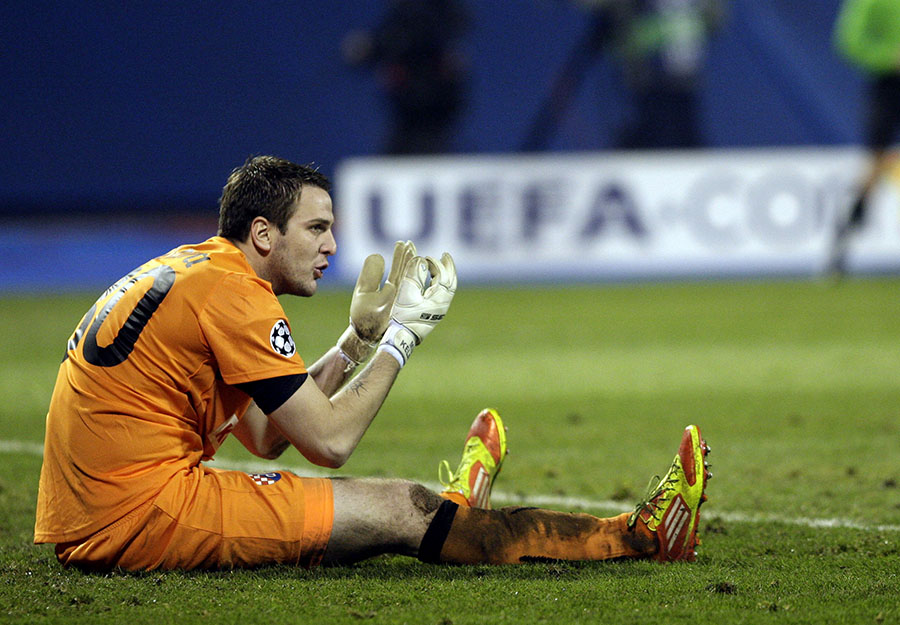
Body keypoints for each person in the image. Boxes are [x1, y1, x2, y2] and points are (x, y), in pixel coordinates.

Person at [34, 155, 711, 571]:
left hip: (105, 504)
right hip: (137, 514)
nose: (332, 245)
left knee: (394, 508)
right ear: (263, 233)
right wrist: (402, 339)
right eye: (316, 228)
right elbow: (328, 442)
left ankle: (458, 512)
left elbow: (267, 434)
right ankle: (637, 538)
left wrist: (355, 342)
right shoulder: (236, 296)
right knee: (402, 507)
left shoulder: (200, 270)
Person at [828, 0, 900, 276]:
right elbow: (849, 40)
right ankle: (842, 242)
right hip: (889, 85)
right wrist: (888, 56)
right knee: (875, 164)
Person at [341, 0, 470, 155]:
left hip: (437, 111)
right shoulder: (396, 24)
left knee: (432, 149)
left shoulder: (442, 17)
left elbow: (456, 25)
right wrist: (368, 49)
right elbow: (369, 51)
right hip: (405, 113)